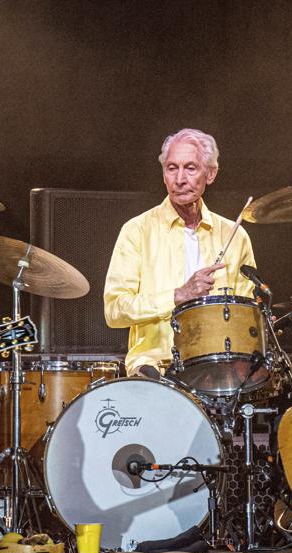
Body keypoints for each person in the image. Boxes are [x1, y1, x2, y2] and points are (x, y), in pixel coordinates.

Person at [104, 128, 257, 375]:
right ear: (164, 175)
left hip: (218, 367)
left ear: (211, 174)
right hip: (156, 367)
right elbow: (114, 310)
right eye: (172, 168)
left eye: (191, 168)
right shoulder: (137, 230)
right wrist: (178, 295)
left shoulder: (234, 235)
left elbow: (247, 313)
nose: (180, 179)